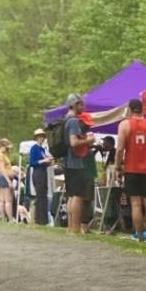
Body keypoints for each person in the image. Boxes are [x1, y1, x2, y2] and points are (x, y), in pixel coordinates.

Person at [116, 98, 146, 241]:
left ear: (130, 110)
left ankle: (140, 236)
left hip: (131, 169)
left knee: (135, 204)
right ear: (142, 109)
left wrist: (118, 166)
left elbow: (119, 150)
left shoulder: (124, 125)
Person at [63, 93, 95, 236]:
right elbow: (73, 142)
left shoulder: (65, 120)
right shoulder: (74, 121)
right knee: (77, 196)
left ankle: (70, 228)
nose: (83, 107)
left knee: (71, 196)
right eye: (81, 104)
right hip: (75, 163)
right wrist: (89, 141)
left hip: (67, 162)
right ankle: (76, 229)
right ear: (74, 105)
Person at [28, 128, 52, 225]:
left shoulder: (43, 149)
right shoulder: (34, 148)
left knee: (44, 195)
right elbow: (32, 163)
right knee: (40, 195)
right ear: (36, 138)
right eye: (39, 137)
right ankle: (39, 219)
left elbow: (46, 162)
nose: (41, 138)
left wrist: (49, 161)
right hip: (37, 173)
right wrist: (43, 161)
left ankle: (44, 219)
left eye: (42, 137)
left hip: (43, 172)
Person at [0, 138, 14, 222]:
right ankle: (10, 219)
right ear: (3, 146)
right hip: (4, 178)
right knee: (8, 200)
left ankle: (4, 218)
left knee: (2, 199)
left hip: (3, 178)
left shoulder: (3, 154)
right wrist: (8, 180)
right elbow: (2, 169)